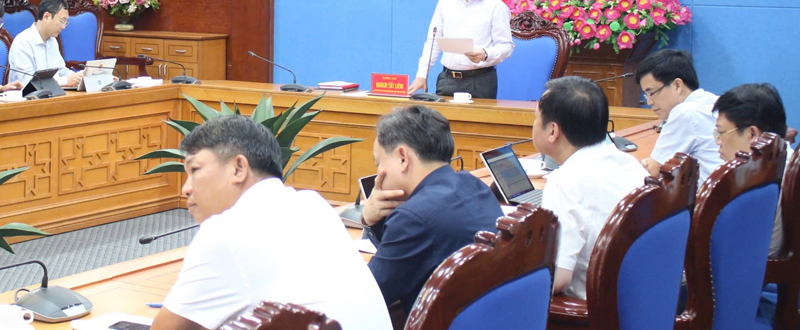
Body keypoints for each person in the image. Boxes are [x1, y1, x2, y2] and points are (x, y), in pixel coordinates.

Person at [151, 115, 390, 330]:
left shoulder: (225, 232)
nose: (186, 188)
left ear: (238, 168)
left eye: (195, 170)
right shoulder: (313, 204)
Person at [362, 105, 503, 321]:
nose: (378, 172)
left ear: (402, 157)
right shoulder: (474, 185)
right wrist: (373, 221)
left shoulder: (413, 217)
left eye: (379, 162)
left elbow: (370, 294)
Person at [533, 76, 647, 299]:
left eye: (535, 117)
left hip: (594, 308)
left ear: (553, 131)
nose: (534, 124)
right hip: (642, 298)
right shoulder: (629, 163)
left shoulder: (565, 182)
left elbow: (557, 279)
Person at [712, 83, 795, 328]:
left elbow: (749, 256)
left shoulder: (761, 186)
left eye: (721, 133)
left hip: (741, 286)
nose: (717, 142)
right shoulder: (786, 159)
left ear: (752, 135)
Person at [412, 0, 514, 99]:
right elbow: (433, 41)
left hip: (480, 81)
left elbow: (506, 46)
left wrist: (485, 54)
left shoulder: (496, 7)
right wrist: (422, 74)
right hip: (447, 79)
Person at [636, 49, 722, 183]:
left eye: (651, 93)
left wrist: (646, 164)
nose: (649, 102)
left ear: (677, 85)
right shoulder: (713, 100)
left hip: (706, 194)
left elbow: (652, 173)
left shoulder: (684, 112)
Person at [7, 0, 82, 89]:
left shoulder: (52, 41)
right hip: (27, 96)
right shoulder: (23, 42)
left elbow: (61, 71)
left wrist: (79, 77)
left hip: (52, 94)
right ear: (46, 16)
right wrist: (66, 81)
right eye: (62, 21)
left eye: (65, 23)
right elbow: (27, 83)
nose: (63, 27)